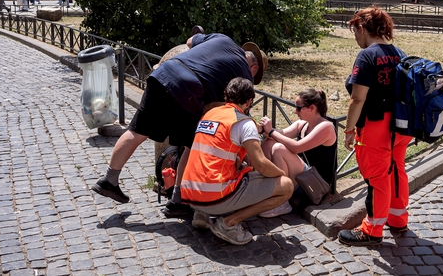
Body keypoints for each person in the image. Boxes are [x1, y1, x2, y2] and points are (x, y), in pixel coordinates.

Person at [91, 33, 268, 217]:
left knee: (137, 131)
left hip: (162, 74)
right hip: (189, 91)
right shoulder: (244, 76)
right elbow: (235, 113)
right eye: (254, 75)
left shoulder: (222, 39)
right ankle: (177, 200)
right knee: (192, 145)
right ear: (253, 68)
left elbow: (190, 41)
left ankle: (109, 179)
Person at [180, 77, 293, 245]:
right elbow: (260, 164)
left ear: (226, 95)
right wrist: (282, 174)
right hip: (213, 198)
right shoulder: (244, 123)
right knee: (286, 186)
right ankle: (228, 224)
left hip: (190, 195)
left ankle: (201, 215)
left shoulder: (210, 114)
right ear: (248, 101)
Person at [338, 7, 412, 246]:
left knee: (377, 177)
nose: (355, 37)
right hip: (401, 125)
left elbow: (357, 98)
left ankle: (372, 229)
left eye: (355, 31)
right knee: (397, 170)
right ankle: (398, 219)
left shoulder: (367, 56)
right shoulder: (399, 52)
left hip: (377, 126)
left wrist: (349, 130)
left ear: (361, 27)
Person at [259, 88, 336, 212]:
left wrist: (271, 131)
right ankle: (269, 190)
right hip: (302, 176)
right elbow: (279, 134)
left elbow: (297, 147)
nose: (295, 111)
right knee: (269, 143)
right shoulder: (302, 124)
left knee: (278, 149)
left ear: (312, 108)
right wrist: (262, 129)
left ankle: (281, 203)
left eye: (299, 108)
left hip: (316, 184)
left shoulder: (326, 127)